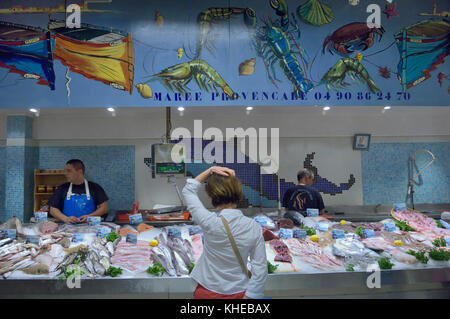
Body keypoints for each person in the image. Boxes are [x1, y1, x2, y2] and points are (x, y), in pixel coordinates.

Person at [182, 166, 267, 299]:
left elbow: (189, 190)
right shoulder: (254, 227)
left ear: (212, 195)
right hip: (240, 292)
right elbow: (260, 267)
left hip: (207, 291)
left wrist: (211, 170)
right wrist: (250, 296)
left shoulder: (208, 221)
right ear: (238, 193)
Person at [48, 159, 109, 224]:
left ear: (80, 171)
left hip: (89, 229)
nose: (65, 173)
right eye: (65, 171)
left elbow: (104, 208)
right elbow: (53, 209)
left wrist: (89, 217)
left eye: (69, 171)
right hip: (67, 230)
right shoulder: (62, 188)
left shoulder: (95, 187)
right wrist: (66, 219)